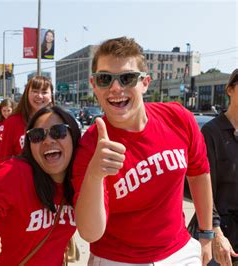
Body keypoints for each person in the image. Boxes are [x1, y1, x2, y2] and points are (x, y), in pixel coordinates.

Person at [73, 37, 213, 265]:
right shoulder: (91, 147)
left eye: (127, 78)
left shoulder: (178, 118)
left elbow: (199, 174)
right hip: (117, 259)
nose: (116, 87)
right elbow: (90, 233)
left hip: (180, 252)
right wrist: (95, 174)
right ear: (94, 85)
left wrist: (207, 234)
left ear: (145, 83)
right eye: (105, 79)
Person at [0, 106, 81, 265]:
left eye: (58, 131)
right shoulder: (14, 173)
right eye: (37, 135)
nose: (48, 140)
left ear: (73, 135)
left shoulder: (81, 180)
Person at [201, 68, 238, 266]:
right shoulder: (211, 132)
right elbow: (204, 190)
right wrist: (216, 233)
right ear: (229, 90)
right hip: (222, 239)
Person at [0, 75, 54, 164]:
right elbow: (4, 158)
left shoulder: (58, 120)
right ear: (27, 94)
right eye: (35, 91)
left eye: (44, 92)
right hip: (23, 176)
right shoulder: (13, 122)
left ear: (51, 96)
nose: (39, 96)